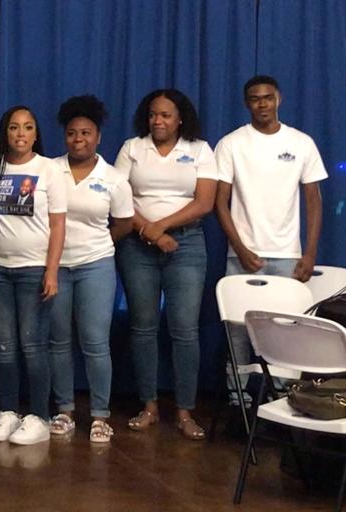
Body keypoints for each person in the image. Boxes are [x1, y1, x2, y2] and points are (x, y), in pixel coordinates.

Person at [214, 75, 327, 397]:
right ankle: (238, 401)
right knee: (237, 331)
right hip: (242, 256)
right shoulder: (231, 143)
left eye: (267, 97)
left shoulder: (301, 142)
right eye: (254, 98)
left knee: (286, 333)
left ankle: (281, 400)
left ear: (279, 99)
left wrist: (309, 254)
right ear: (246, 103)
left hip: (287, 255)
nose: (262, 104)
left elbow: (314, 203)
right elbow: (219, 203)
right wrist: (240, 247)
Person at [114, 89, 216, 441]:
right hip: (137, 246)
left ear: (180, 118)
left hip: (186, 245)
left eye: (166, 115)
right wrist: (152, 233)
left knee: (184, 329)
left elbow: (204, 202)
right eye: (153, 115)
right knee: (142, 327)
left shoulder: (200, 150)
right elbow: (119, 197)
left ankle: (185, 410)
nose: (158, 121)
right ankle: (150, 406)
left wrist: (164, 227)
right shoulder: (132, 148)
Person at [48, 95, 133, 444]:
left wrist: (101, 244)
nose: (78, 139)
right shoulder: (49, 169)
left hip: (96, 265)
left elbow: (125, 222)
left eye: (85, 133)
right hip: (55, 266)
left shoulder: (113, 178)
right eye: (71, 133)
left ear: (98, 137)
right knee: (58, 342)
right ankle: (64, 411)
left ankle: (100, 415)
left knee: (96, 342)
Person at [0, 106, 66, 445]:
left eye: (28, 127)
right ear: (6, 132)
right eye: (14, 127)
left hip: (34, 270)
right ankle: (7, 411)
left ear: (36, 134)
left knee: (32, 346)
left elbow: (58, 224)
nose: (21, 133)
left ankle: (38, 416)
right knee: (4, 347)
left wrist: (51, 271)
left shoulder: (48, 169)